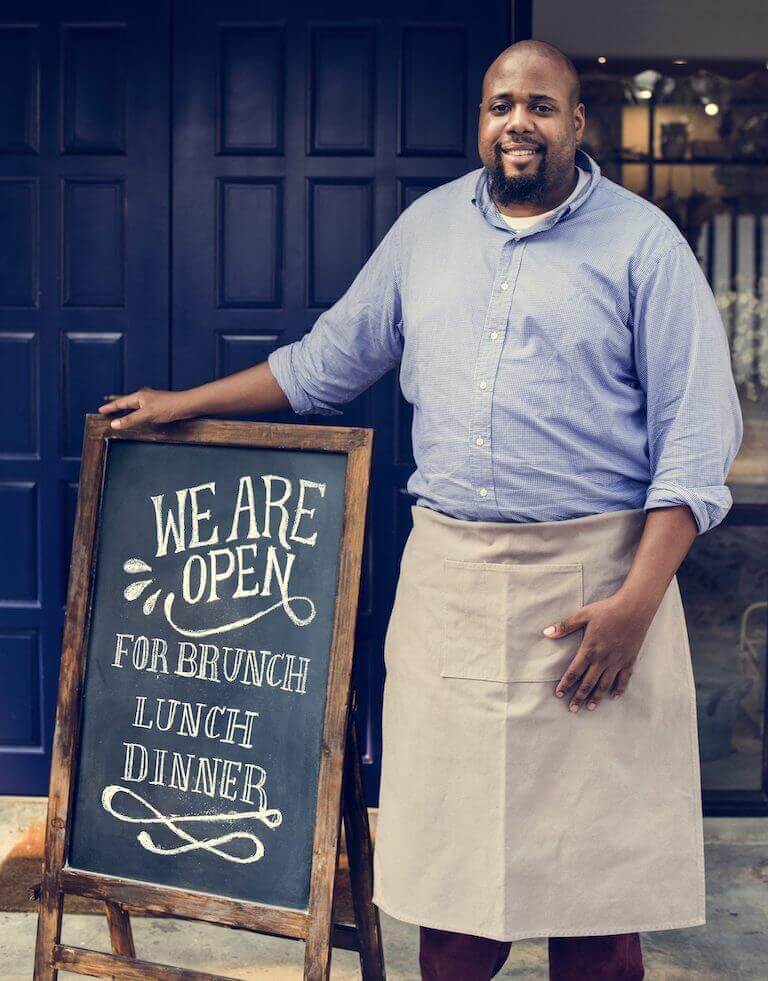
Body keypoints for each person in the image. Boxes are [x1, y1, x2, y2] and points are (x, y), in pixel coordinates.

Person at [100, 39, 742, 981]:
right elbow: (324, 367)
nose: (516, 122)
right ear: (480, 120)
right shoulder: (427, 229)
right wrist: (182, 404)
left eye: (540, 105)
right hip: (452, 587)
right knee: (452, 896)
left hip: (596, 591)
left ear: (577, 123)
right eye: (499, 104)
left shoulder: (646, 245)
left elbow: (695, 447)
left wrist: (636, 607)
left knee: (598, 910)